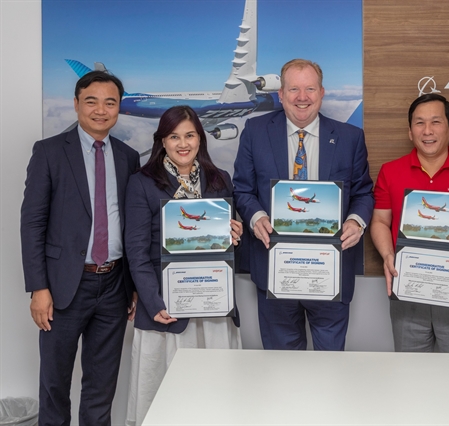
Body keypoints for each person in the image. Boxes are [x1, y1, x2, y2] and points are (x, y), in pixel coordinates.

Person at [20, 71, 140, 425]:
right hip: (63, 287)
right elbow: (32, 224)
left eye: (110, 102)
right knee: (55, 385)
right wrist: (39, 288)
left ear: (119, 108)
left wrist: (133, 285)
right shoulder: (49, 152)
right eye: (91, 101)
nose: (100, 110)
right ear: (76, 104)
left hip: (115, 286)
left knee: (101, 388)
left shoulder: (128, 157)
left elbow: (133, 224)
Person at [233, 58, 374, 351]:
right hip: (274, 271)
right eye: (293, 89)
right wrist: (256, 217)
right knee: (281, 367)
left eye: (310, 89)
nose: (302, 97)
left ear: (321, 92)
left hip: (330, 272)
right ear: (281, 94)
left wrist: (356, 221)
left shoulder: (350, 138)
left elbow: (363, 193)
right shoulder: (255, 131)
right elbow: (243, 189)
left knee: (329, 366)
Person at [124, 105, 242, 425]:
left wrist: (235, 234)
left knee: (216, 398)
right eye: (174, 137)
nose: (183, 143)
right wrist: (153, 303)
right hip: (166, 309)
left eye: (190, 135)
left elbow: (226, 246)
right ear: (162, 141)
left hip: (213, 308)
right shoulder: (142, 183)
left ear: (200, 138)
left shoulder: (219, 179)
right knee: (164, 402)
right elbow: (136, 252)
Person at [370, 94, 449, 380]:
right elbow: (379, 221)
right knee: (410, 379)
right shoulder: (390, 171)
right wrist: (388, 255)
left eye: (436, 122)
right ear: (409, 131)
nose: (427, 131)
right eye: (419, 123)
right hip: (407, 287)